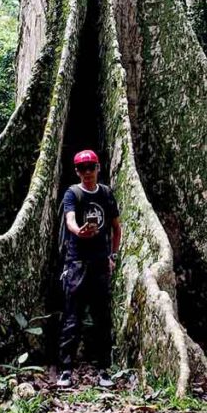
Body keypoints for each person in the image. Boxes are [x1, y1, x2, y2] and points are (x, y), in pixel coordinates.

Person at [57, 149, 122, 388]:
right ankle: (65, 370)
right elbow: (70, 219)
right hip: (76, 263)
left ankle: (103, 370)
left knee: (101, 318)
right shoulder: (72, 193)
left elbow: (116, 227)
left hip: (100, 264)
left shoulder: (105, 193)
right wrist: (78, 231)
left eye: (91, 167)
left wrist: (112, 255)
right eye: (82, 169)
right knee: (72, 317)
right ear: (77, 171)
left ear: (98, 168)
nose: (87, 173)